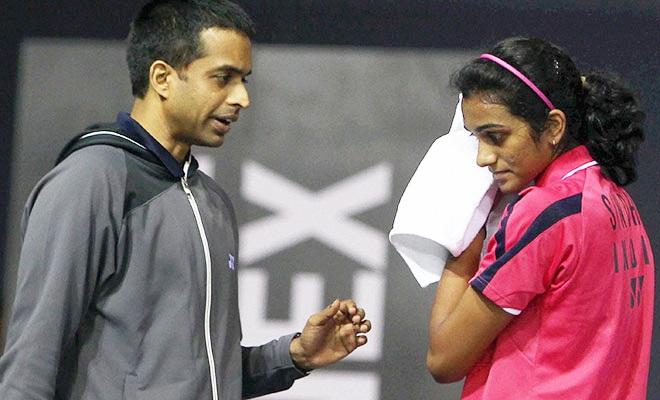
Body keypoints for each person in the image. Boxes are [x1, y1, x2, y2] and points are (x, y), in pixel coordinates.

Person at [0, 1, 371, 399]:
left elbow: (210, 373)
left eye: (244, 79)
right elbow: (30, 364)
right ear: (162, 77)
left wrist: (296, 354)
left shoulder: (212, 202)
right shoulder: (89, 181)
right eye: (223, 78)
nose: (241, 97)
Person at [425, 37, 653, 399]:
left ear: (553, 127)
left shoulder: (545, 211)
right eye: (476, 139)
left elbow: (444, 359)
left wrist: (465, 236)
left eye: (496, 137)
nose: (483, 158)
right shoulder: (617, 201)